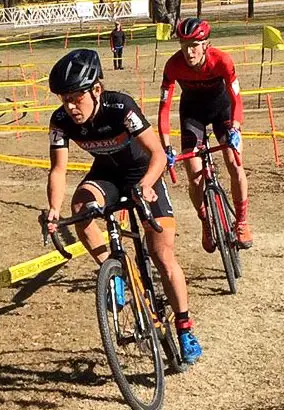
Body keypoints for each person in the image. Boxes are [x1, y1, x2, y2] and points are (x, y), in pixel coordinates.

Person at [44, 49, 202, 363]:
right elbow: (58, 170)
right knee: (81, 208)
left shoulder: (121, 107)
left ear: (96, 90)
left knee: (161, 254)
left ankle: (184, 327)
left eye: (77, 98)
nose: (71, 107)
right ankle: (115, 272)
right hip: (107, 175)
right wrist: (52, 208)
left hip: (144, 173)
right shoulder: (60, 120)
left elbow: (157, 154)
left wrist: (145, 184)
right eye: (65, 100)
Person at [159, 18, 252, 250]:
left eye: (194, 45)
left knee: (234, 162)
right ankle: (206, 222)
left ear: (205, 44)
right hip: (192, 114)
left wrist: (236, 128)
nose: (188, 52)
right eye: (183, 45)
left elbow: (236, 98)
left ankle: (241, 222)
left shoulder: (222, 60)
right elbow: (164, 108)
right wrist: (166, 146)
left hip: (222, 111)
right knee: (195, 175)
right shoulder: (173, 66)